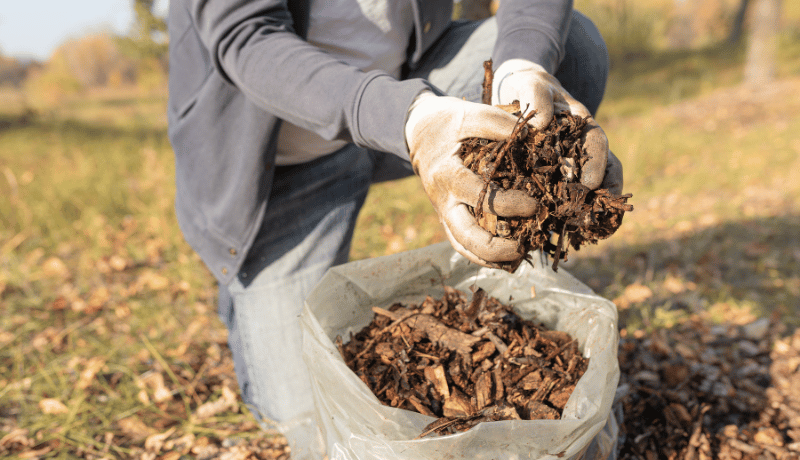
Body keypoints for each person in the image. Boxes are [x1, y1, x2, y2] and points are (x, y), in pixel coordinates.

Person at [167, 0, 622, 457]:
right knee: (309, 424)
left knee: (571, 45)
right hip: (276, 169)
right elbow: (246, 37)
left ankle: (522, 235)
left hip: (407, 88)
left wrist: (523, 65)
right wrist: (411, 120)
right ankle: (244, 280)